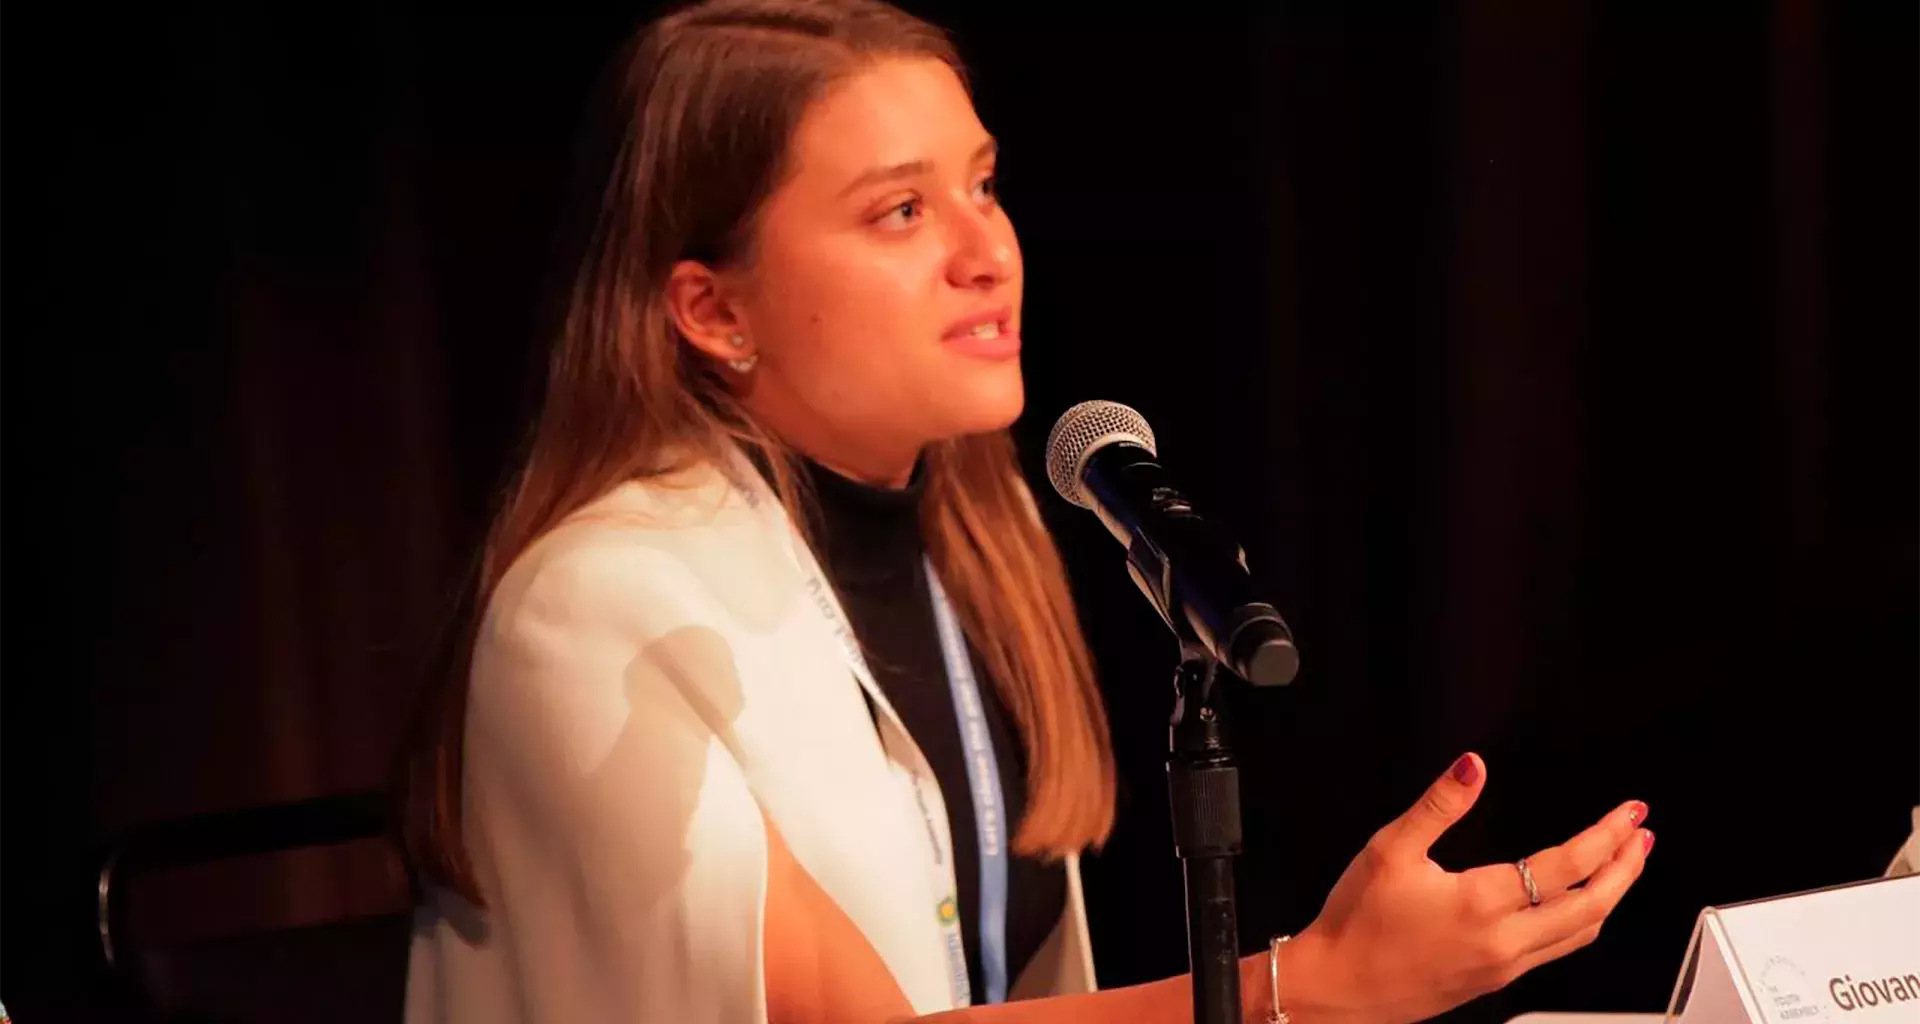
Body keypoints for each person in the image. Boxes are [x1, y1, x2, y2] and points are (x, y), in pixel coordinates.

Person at [398, 1, 1654, 1021]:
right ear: (713, 310)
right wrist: (1300, 988)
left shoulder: (976, 549)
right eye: (900, 209)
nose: (986, 248)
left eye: (982, 185)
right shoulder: (597, 608)